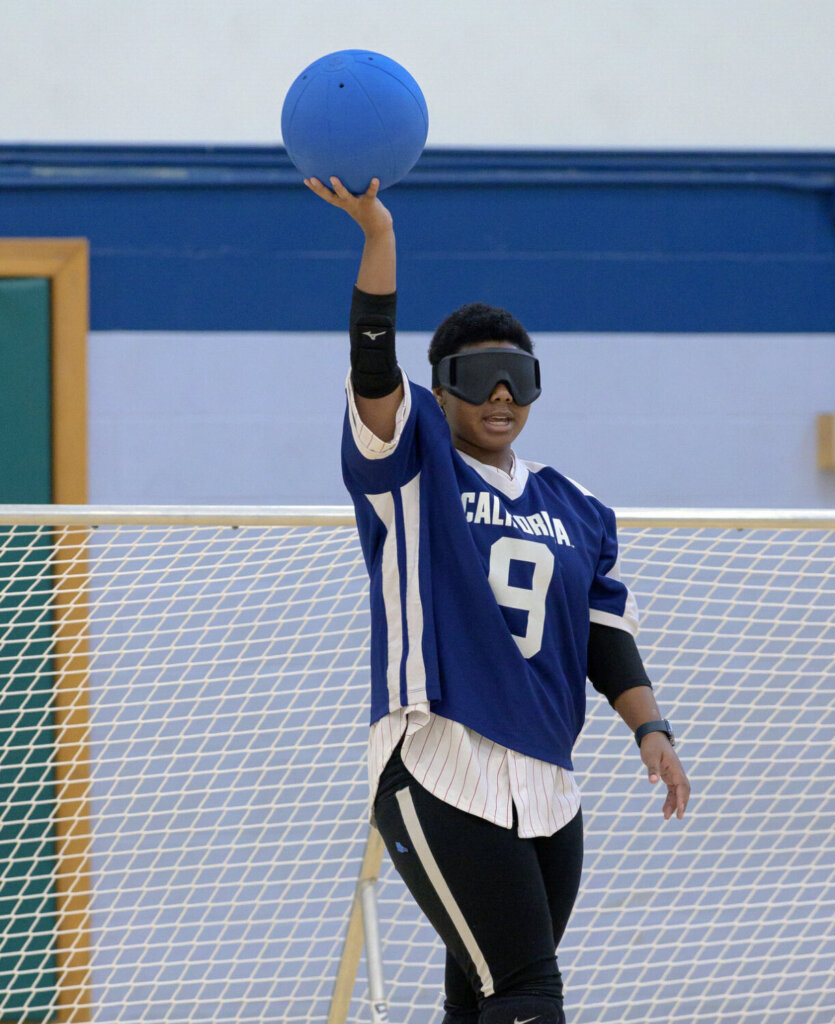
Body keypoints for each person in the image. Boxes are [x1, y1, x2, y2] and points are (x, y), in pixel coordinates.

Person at [306, 175, 691, 1024]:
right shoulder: (410, 466)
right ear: (439, 388)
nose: (502, 397)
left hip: (549, 780)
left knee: (481, 997)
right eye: (480, 378)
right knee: (527, 990)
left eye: (517, 377)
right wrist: (379, 235)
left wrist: (651, 729)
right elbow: (373, 364)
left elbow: (603, 634)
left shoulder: (577, 505)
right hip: (438, 757)